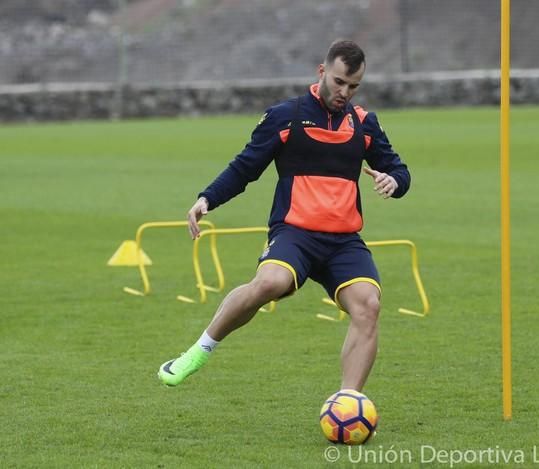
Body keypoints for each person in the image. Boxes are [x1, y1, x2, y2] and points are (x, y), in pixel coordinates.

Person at [158, 40, 411, 392]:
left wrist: (393, 181)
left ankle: (348, 401)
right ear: (322, 72)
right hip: (296, 234)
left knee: (369, 305)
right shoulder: (285, 116)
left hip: (343, 242)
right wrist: (207, 199)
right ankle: (198, 351)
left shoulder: (365, 123)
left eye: (353, 86)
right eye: (339, 82)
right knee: (269, 283)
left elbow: (399, 170)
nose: (344, 92)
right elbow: (246, 166)